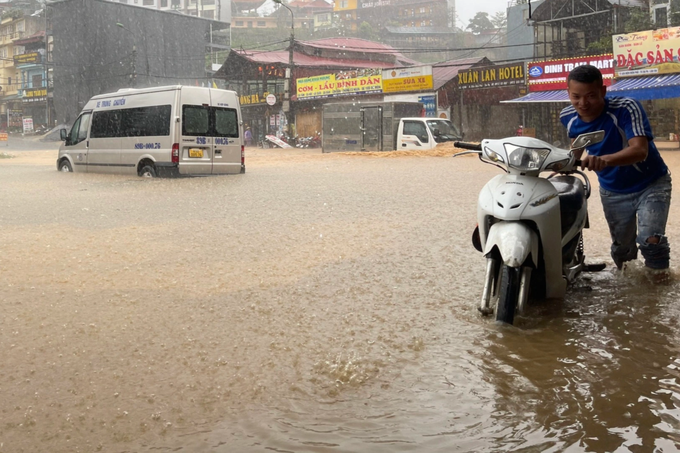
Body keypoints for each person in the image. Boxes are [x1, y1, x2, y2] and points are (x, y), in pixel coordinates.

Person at [560, 64, 672, 272]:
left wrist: (603, 160)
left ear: (603, 91)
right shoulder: (567, 116)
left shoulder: (626, 108)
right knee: (622, 251)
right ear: (568, 93)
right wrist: (560, 168)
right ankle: (628, 289)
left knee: (651, 241)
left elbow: (640, 151)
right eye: (576, 96)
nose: (583, 103)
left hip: (651, 184)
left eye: (591, 96)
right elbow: (577, 147)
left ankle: (658, 291)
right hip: (612, 190)